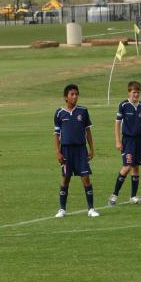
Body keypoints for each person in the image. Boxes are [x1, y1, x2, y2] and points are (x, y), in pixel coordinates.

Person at [54, 84, 98, 217]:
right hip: (66, 150)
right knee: (66, 178)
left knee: (85, 178)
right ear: (65, 97)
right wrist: (57, 151)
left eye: (76, 94)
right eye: (72, 94)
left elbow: (88, 131)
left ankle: (91, 209)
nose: (75, 96)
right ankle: (62, 209)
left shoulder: (83, 111)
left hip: (81, 150)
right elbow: (56, 134)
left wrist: (91, 149)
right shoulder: (59, 113)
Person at [109, 81, 141, 205]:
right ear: (129, 92)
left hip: (140, 140)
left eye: (138, 92)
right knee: (127, 166)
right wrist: (117, 141)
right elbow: (117, 123)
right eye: (134, 92)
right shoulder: (124, 105)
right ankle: (114, 195)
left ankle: (133, 196)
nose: (136, 95)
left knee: (136, 167)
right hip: (128, 140)